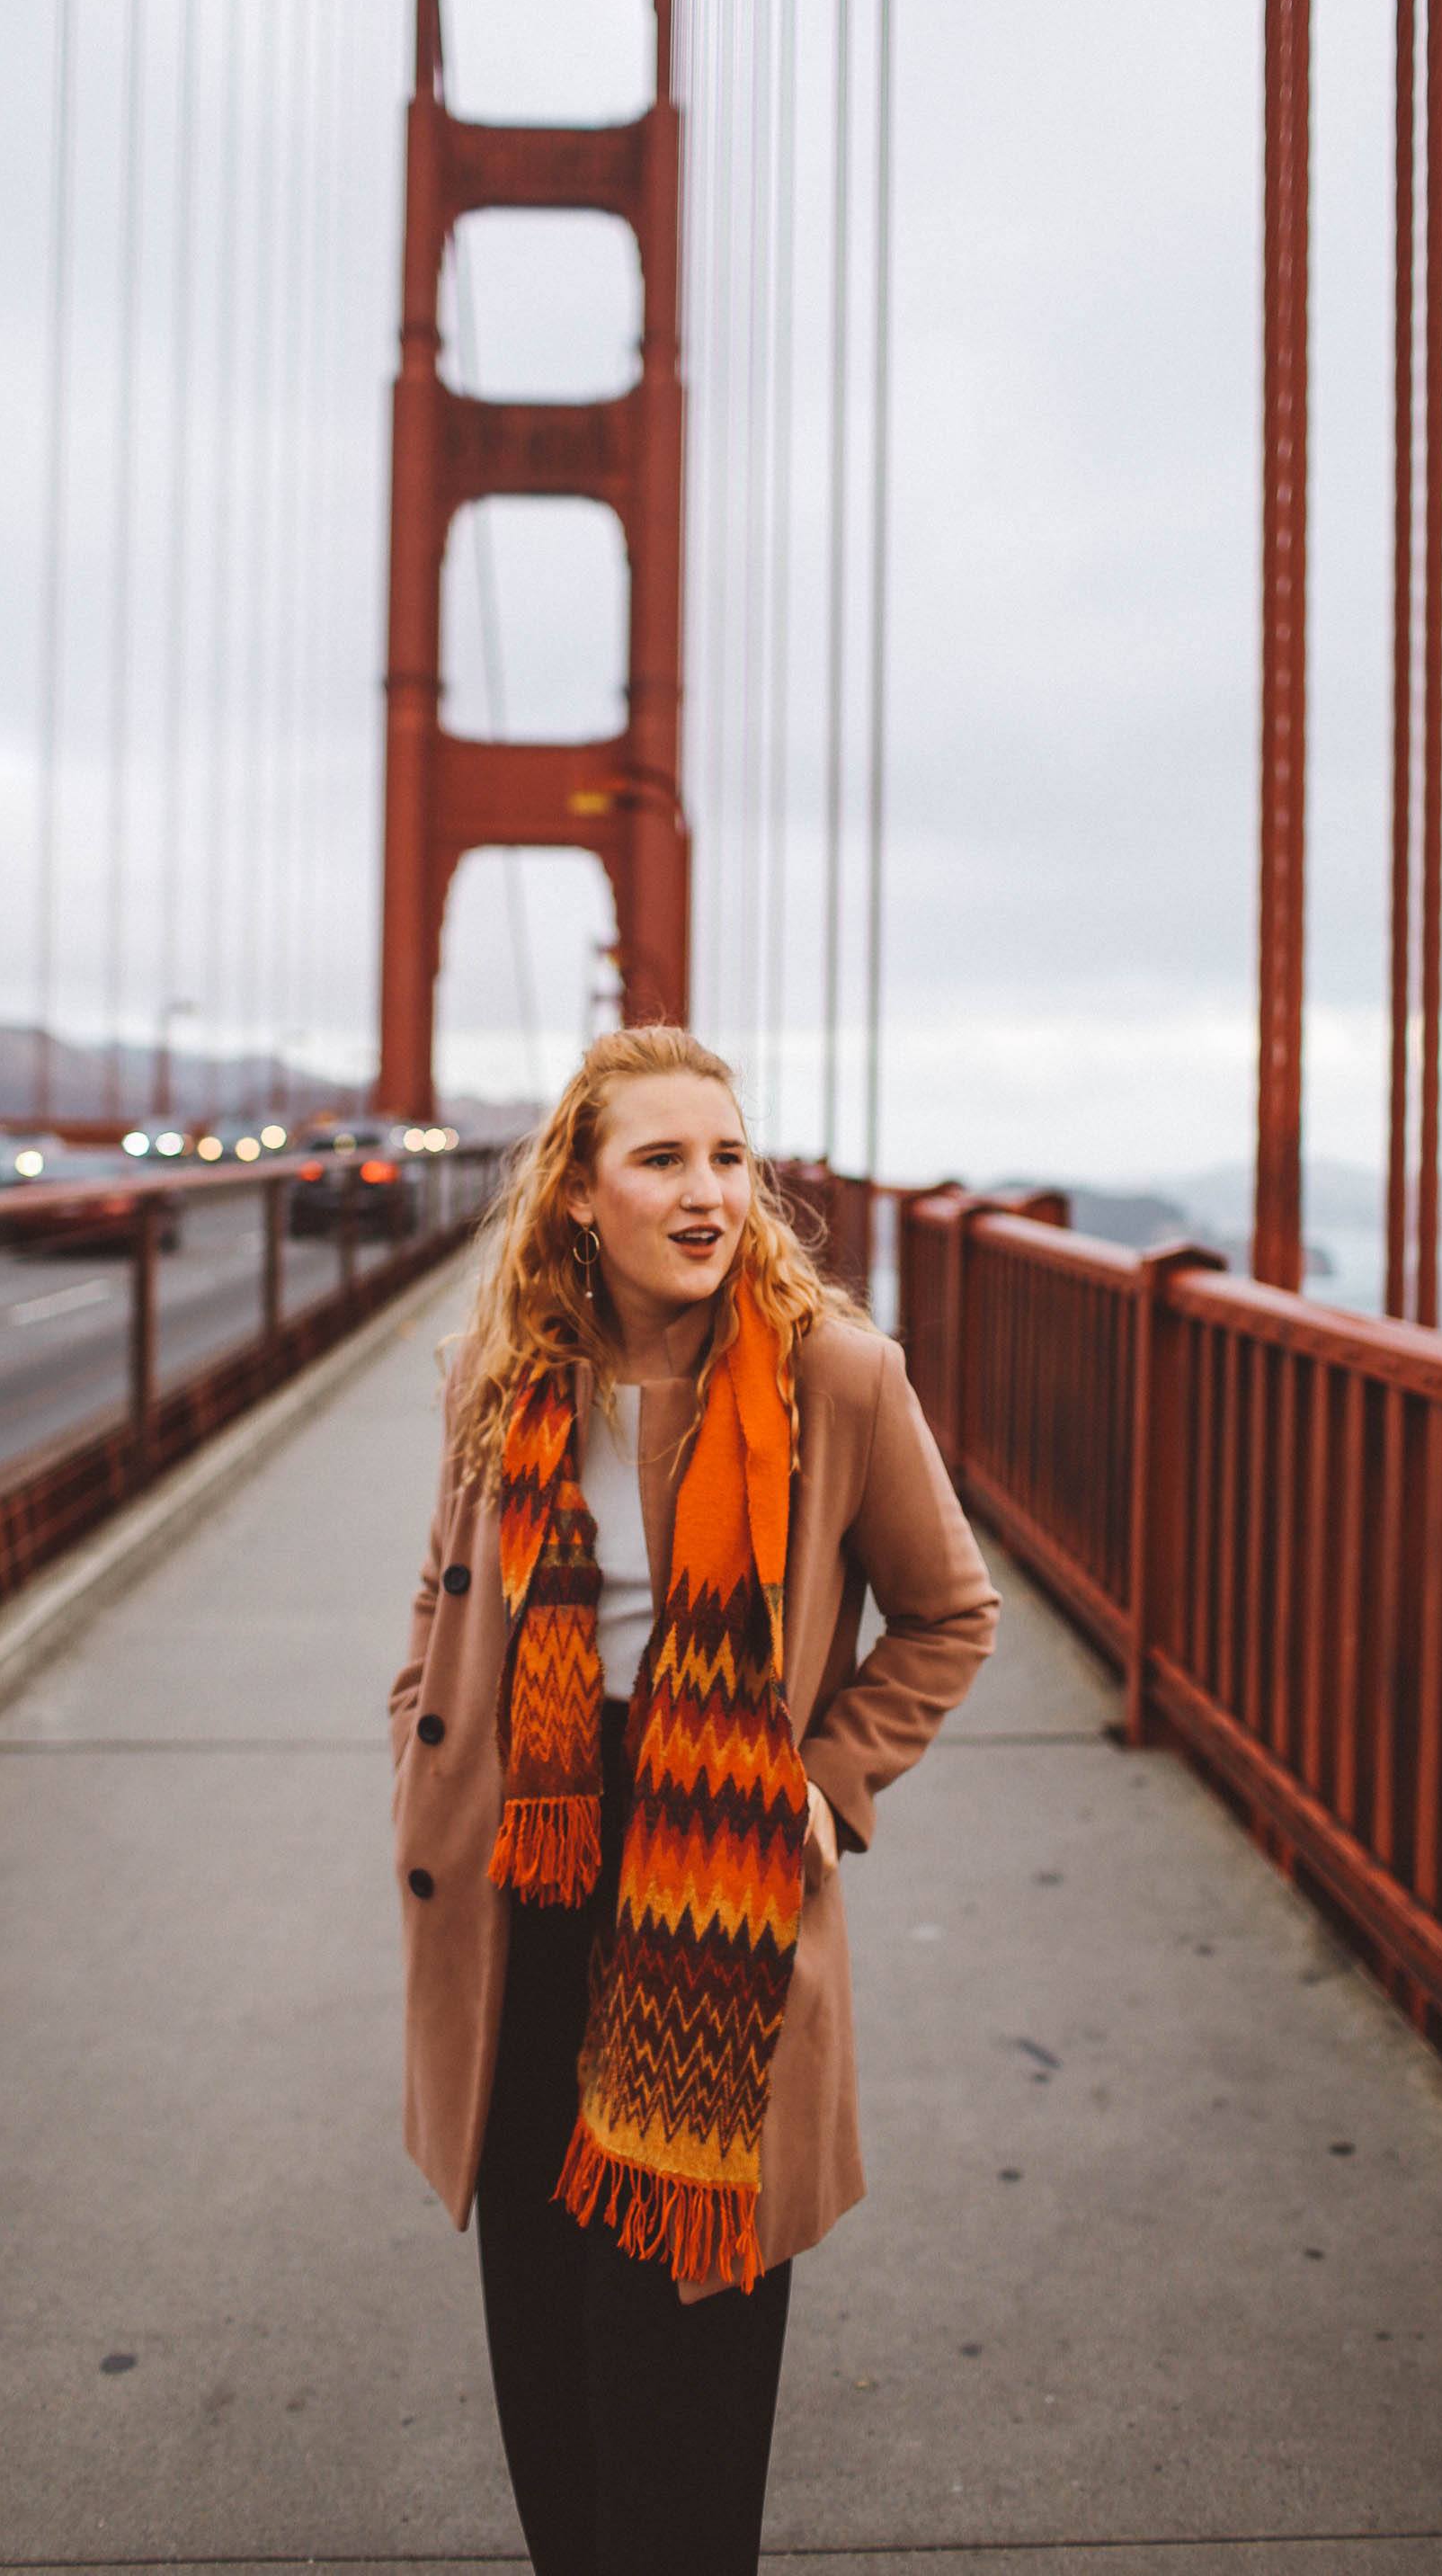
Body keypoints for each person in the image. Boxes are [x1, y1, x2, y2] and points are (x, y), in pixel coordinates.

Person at [386, 1024, 1001, 2576]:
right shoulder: (505, 1379)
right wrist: (422, 1747)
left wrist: (825, 1781)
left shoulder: (836, 1380)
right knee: (541, 2335)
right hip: (528, 1876)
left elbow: (951, 1617)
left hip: (712, 1893)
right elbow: (441, 1602)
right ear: (580, 1196)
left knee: (680, 2372)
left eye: (728, 1157)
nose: (708, 1191)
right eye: (661, 1159)